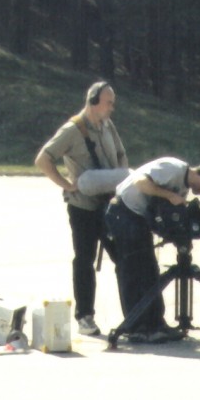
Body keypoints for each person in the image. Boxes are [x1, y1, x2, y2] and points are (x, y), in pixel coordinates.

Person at [35, 81, 129, 337]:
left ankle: (133, 315)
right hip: (84, 207)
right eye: (108, 102)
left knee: (124, 257)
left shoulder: (108, 125)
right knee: (84, 260)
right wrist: (66, 184)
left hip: (110, 204)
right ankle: (85, 317)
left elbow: (121, 155)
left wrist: (119, 181)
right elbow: (43, 159)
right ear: (93, 102)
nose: (112, 107)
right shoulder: (72, 130)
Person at [104, 158, 200, 343]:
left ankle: (156, 325)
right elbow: (141, 182)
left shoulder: (183, 187)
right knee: (132, 271)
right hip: (124, 213)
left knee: (150, 271)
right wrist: (169, 196)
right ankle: (136, 328)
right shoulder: (173, 168)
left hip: (138, 218)